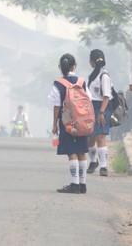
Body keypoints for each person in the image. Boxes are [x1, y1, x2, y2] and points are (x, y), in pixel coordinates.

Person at [48, 53, 89, 194]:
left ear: (60, 67)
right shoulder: (82, 82)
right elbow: (88, 99)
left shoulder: (58, 84)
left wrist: (54, 124)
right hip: (82, 121)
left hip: (67, 122)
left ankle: (74, 184)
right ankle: (83, 184)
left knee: (71, 152)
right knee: (81, 151)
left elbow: (56, 105)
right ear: (74, 66)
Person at [86, 49, 113, 176]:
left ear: (91, 61)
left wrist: (101, 113)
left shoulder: (104, 76)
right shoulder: (92, 75)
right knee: (90, 136)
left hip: (102, 107)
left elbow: (106, 96)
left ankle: (103, 166)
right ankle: (92, 161)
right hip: (91, 107)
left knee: (101, 136)